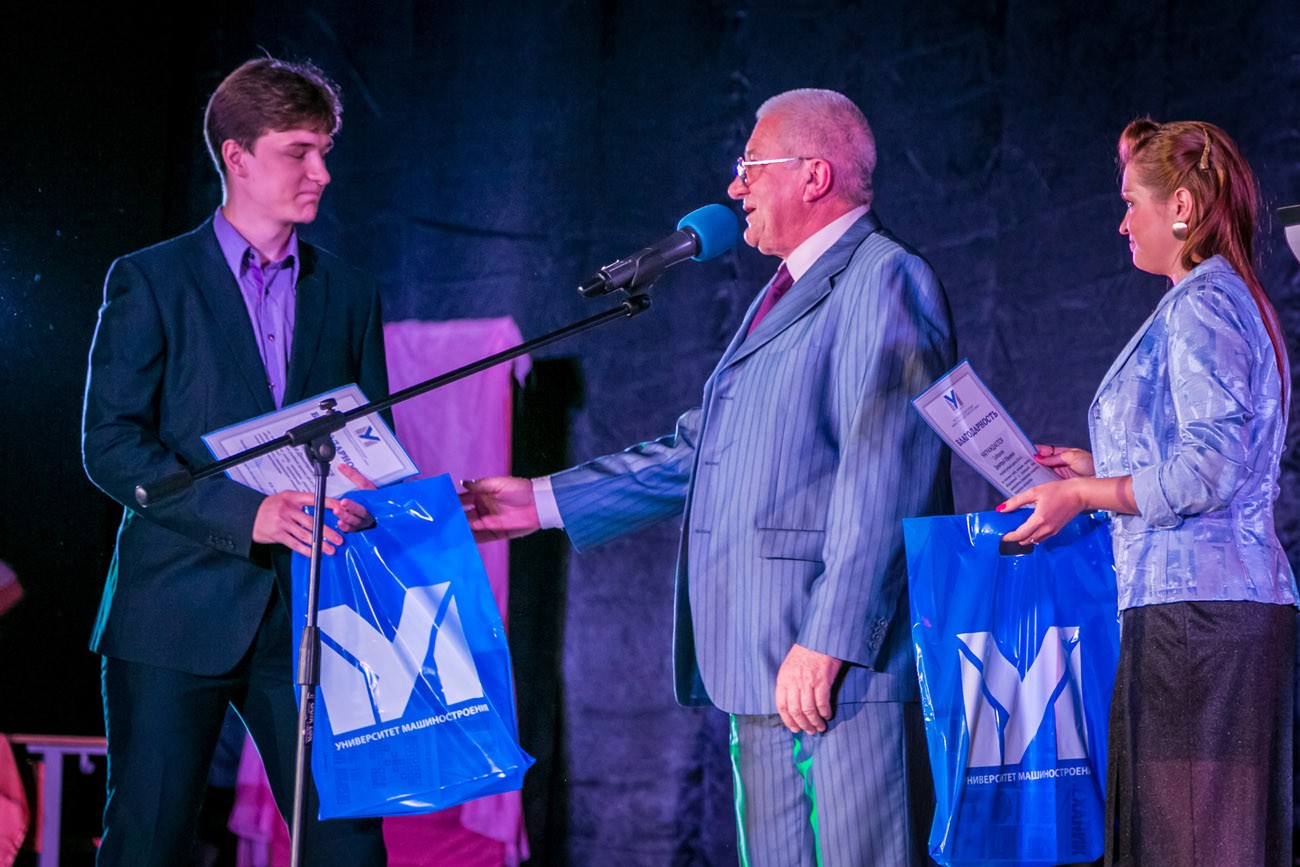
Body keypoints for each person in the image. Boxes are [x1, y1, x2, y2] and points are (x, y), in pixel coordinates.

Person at [462, 88, 955, 866]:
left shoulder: (885, 278)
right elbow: (705, 450)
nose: (734, 187)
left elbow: (889, 475)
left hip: (836, 667)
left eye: (750, 166)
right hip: (761, 658)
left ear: (815, 175)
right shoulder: (781, 292)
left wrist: (830, 639)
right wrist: (545, 500)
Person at [82, 57, 388, 866]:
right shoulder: (151, 280)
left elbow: (372, 439)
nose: (321, 172)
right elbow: (110, 444)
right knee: (147, 845)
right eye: (299, 151)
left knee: (350, 847)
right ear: (237, 156)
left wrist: (370, 495)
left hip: (311, 616)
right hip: (173, 613)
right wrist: (248, 514)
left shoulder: (350, 292)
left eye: (325, 151)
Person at [999, 118, 1297, 866]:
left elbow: (1211, 468)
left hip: (1197, 619)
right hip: (1201, 612)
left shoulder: (1204, 302)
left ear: (1183, 207)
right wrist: (1094, 467)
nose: (1122, 221)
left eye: (1132, 202)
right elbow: (1209, 453)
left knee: (1190, 846)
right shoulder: (1221, 298)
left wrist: (1086, 495)